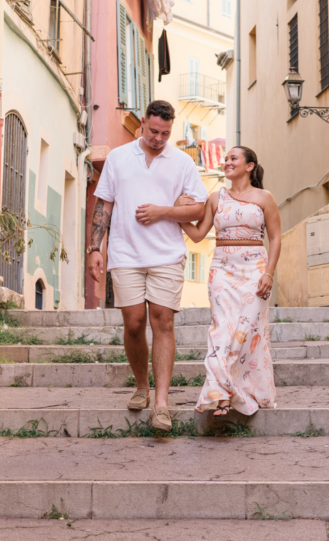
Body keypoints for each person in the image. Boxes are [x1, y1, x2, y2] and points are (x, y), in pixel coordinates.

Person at [86, 100, 206, 432]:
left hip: (167, 254)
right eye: (154, 131)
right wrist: (95, 247)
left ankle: (162, 404)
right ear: (142, 123)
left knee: (163, 322)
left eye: (166, 133)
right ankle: (142, 385)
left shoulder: (182, 162)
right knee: (135, 322)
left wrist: (163, 211)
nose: (158, 138)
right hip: (125, 254)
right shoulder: (118, 157)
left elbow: (199, 210)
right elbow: (104, 204)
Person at [181, 145, 281, 419]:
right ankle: (220, 395)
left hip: (254, 270)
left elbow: (275, 239)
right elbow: (200, 234)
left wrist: (268, 273)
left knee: (247, 332)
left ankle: (240, 390)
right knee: (222, 331)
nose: (226, 162)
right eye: (225, 159)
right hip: (222, 270)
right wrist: (178, 217)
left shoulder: (264, 197)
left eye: (233, 158)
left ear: (249, 166)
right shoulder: (215, 198)